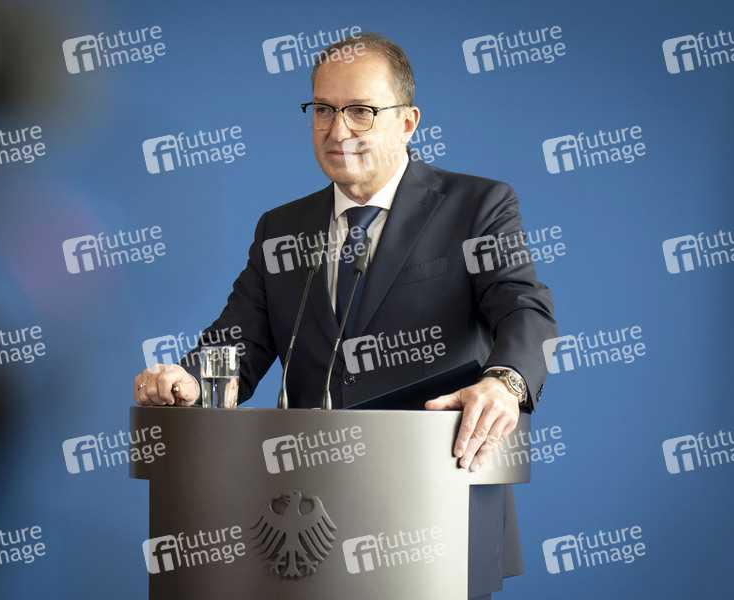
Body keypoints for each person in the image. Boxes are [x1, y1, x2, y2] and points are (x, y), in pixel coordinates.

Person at [134, 32, 556, 592]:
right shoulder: (281, 228)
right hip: (306, 518)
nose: (338, 131)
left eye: (361, 111)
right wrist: (186, 380)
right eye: (323, 110)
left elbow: (525, 310)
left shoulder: (477, 207)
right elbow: (239, 341)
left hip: (434, 509)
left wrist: (506, 381)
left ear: (407, 122)